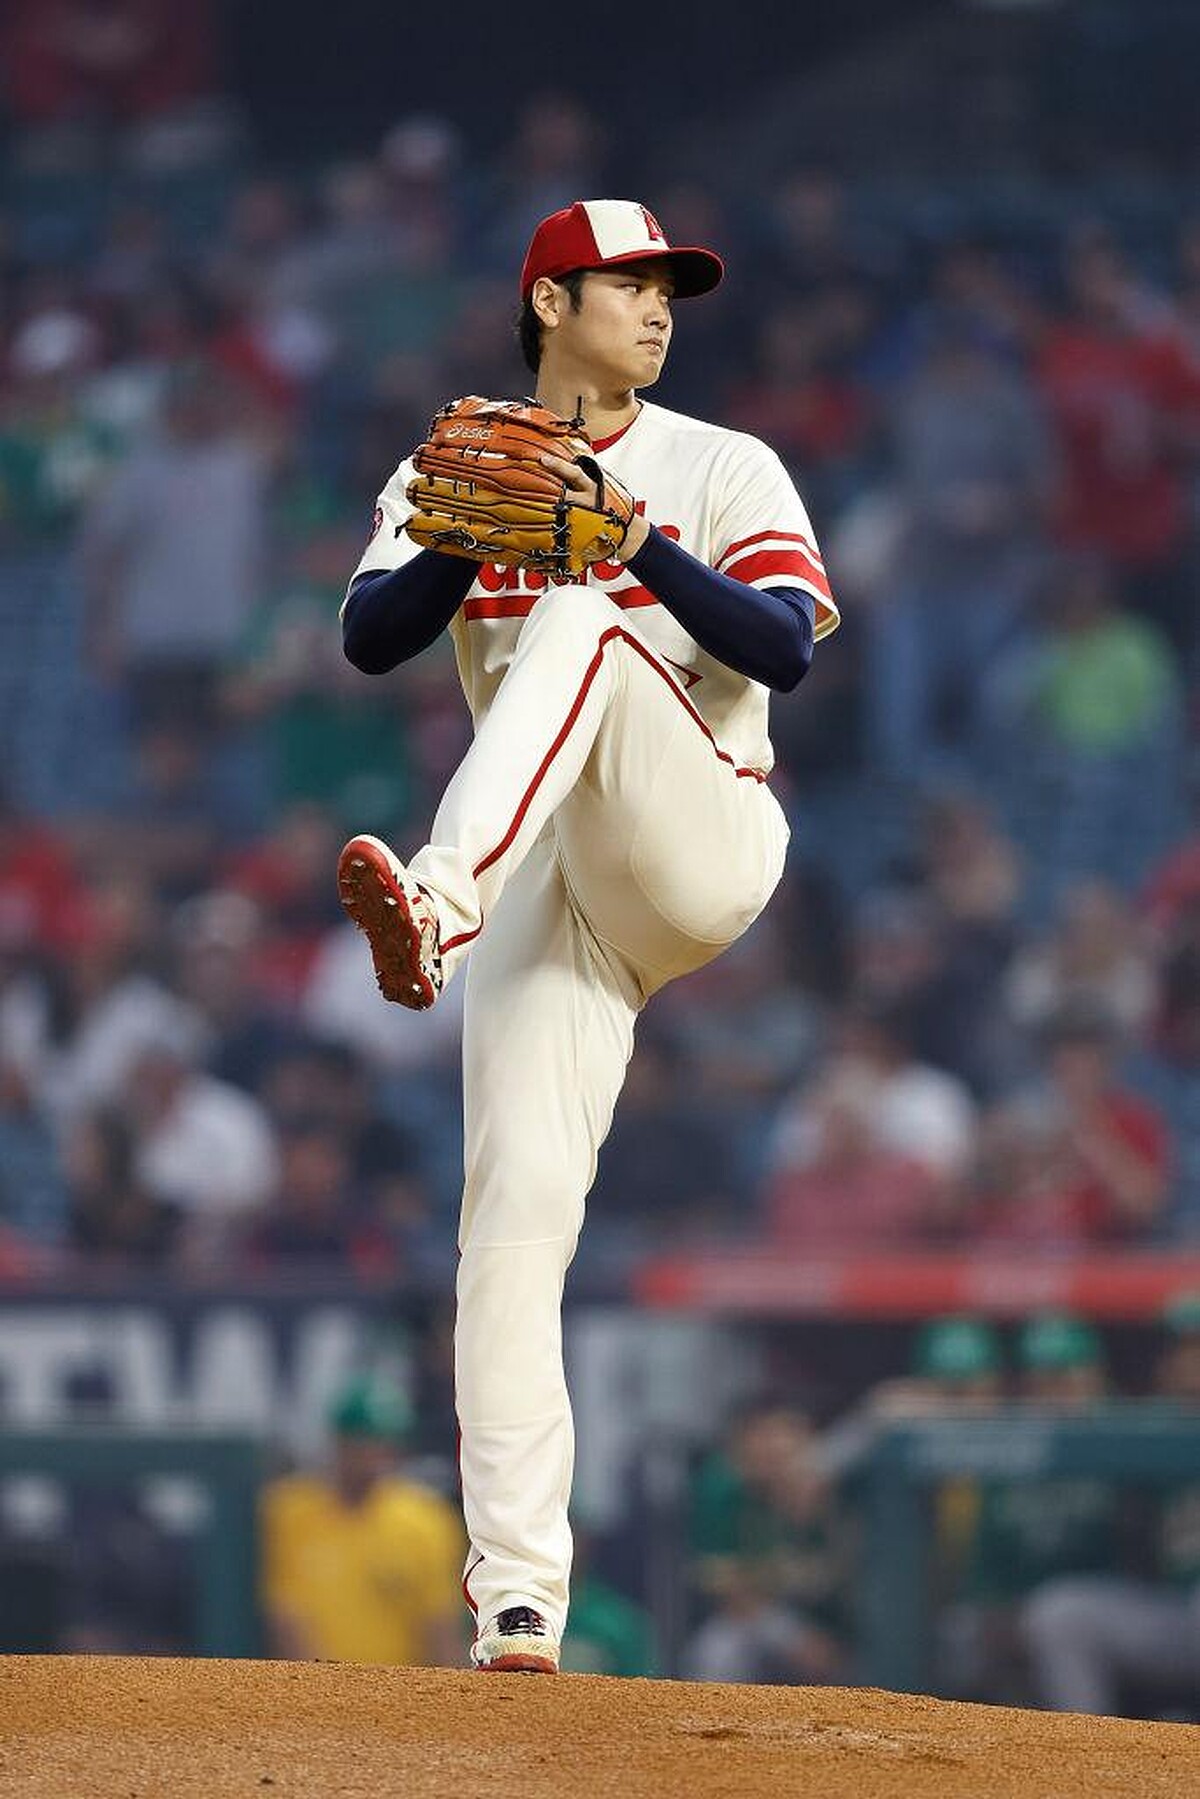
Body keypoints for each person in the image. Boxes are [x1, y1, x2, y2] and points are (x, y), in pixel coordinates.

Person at [333, 198, 839, 1671]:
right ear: (549, 302)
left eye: (670, 288)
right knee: (509, 1220)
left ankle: (436, 903)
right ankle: (518, 1602)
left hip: (699, 831)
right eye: (629, 283)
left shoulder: (721, 461)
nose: (661, 306)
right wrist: (457, 534)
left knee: (587, 619)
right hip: (553, 878)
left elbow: (786, 645)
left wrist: (634, 542)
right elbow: (370, 637)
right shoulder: (453, 462)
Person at [260, 1374, 464, 1667]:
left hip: (398, 1685)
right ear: (340, 1444)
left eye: (383, 1446)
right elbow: (286, 1615)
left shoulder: (426, 1522)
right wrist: (322, 1686)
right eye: (362, 1444)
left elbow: (439, 1626)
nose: (372, 1458)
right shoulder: (291, 1511)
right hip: (312, 1682)